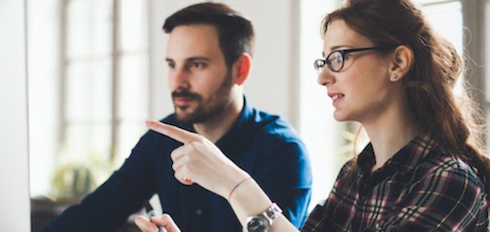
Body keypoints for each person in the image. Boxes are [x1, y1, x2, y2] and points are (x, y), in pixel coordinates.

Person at [135, 0, 490, 231]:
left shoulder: (449, 181)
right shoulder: (355, 177)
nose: (323, 77)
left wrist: (235, 185)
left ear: (397, 63)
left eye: (339, 58)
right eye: (323, 61)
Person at [36, 3, 312, 232]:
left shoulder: (283, 151)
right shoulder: (162, 138)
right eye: (172, 65)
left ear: (240, 69)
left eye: (196, 65)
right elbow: (95, 214)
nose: (177, 81)